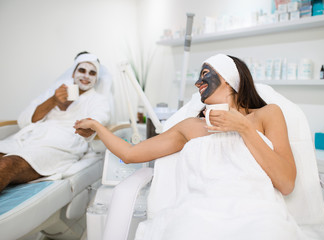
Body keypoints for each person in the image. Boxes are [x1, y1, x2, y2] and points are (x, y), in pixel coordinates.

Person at [74, 54, 305, 239]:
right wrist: (97, 127)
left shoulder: (267, 115)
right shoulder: (190, 127)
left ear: (229, 79)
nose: (198, 83)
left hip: (259, 215)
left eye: (205, 75)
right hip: (198, 215)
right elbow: (130, 153)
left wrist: (243, 128)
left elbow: (286, 183)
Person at [0, 52, 110, 193]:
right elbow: (24, 121)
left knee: (6, 165)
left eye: (92, 73)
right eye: (82, 70)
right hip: (28, 138)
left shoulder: (98, 100)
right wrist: (53, 101)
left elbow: (98, 120)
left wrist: (88, 128)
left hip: (59, 144)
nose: (86, 76)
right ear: (73, 73)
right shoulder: (54, 92)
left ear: (96, 79)